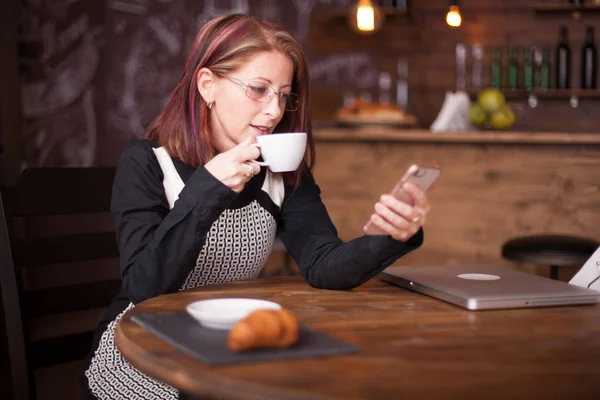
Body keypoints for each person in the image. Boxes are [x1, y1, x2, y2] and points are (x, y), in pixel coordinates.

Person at [83, 13, 430, 400]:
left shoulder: (279, 169)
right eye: (258, 89)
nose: (274, 111)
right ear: (208, 85)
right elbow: (145, 286)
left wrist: (392, 237)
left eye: (283, 94)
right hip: (146, 346)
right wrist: (208, 188)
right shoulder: (147, 163)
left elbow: (324, 266)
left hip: (232, 345)